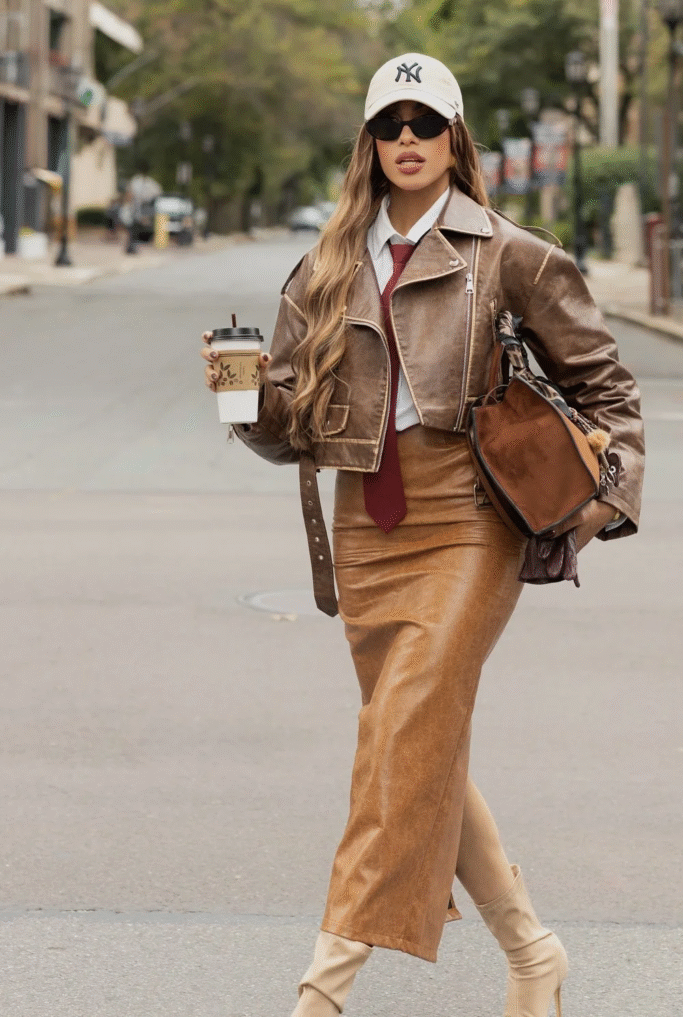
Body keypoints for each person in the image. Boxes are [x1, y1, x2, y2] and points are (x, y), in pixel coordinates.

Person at [201, 53, 644, 1017]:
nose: (408, 140)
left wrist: (608, 497)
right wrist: (245, 402)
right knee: (421, 741)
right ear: (368, 143)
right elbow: (293, 436)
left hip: (469, 519)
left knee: (398, 737)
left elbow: (608, 390)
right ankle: (533, 954)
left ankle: (320, 993)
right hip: (367, 520)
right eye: (389, 125)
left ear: (454, 140)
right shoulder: (323, 264)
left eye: (425, 124)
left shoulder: (510, 253)